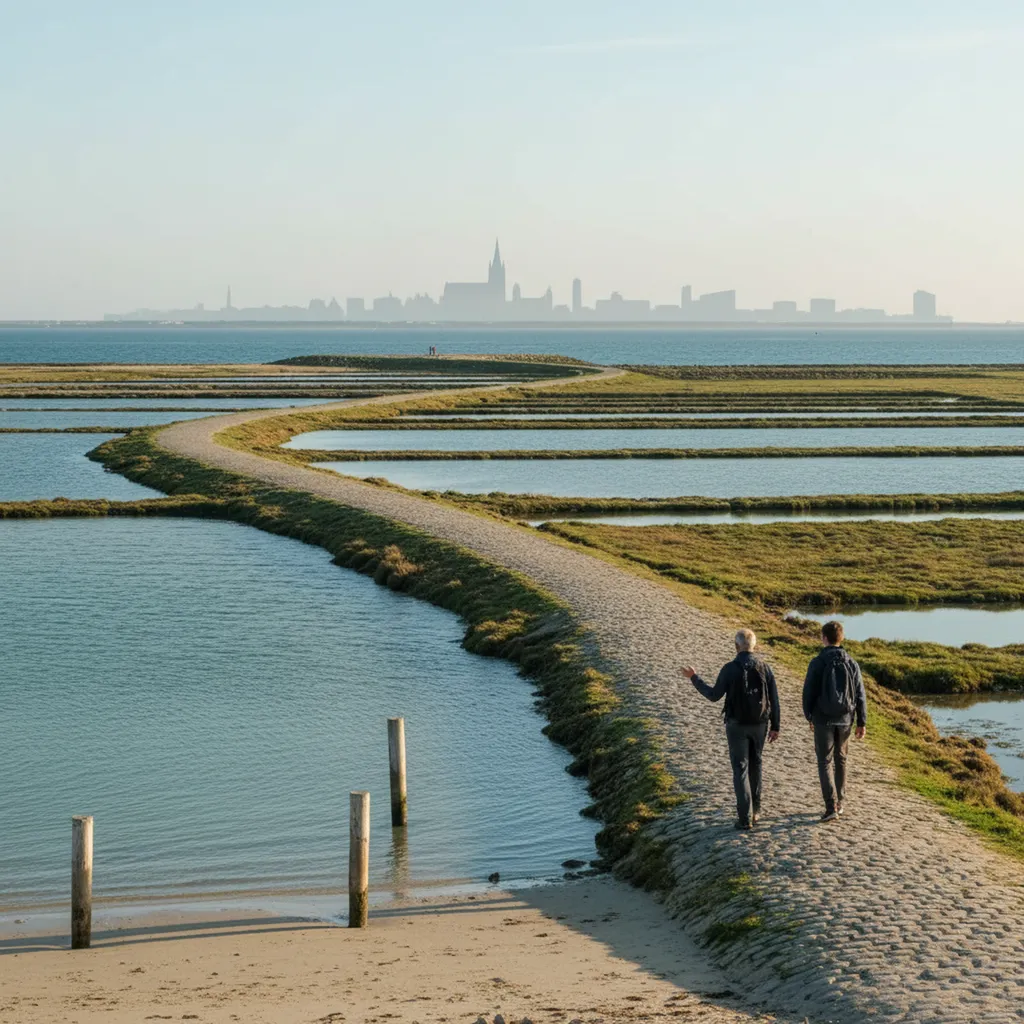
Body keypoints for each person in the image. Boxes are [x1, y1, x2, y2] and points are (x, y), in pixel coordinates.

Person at [682, 629, 781, 830]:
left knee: (740, 769)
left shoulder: (729, 669)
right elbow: (774, 699)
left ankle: (744, 818)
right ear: (755, 645)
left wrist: (694, 678)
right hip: (760, 724)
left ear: (736, 647)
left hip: (736, 725)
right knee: (756, 765)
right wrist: (775, 726)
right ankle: (757, 812)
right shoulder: (765, 668)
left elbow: (713, 695)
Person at [802, 620, 868, 823]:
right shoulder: (851, 662)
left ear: (823, 638)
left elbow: (808, 693)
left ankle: (830, 806)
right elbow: (860, 694)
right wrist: (861, 721)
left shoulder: (817, 662)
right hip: (846, 719)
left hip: (823, 719)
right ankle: (840, 803)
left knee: (824, 761)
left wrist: (809, 716)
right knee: (841, 760)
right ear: (842, 638)